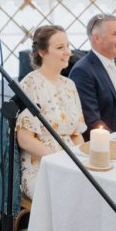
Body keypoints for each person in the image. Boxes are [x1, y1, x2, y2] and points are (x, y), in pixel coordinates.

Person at [16, 26, 86, 198]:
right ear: (42, 51)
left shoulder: (70, 85)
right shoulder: (30, 84)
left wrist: (80, 159)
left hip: (71, 161)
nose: (68, 52)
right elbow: (24, 140)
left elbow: (77, 134)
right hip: (40, 165)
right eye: (60, 47)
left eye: (68, 46)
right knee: (72, 195)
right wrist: (59, 160)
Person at [69, 14, 116, 138]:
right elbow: (91, 121)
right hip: (109, 143)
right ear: (97, 38)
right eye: (115, 34)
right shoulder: (82, 71)